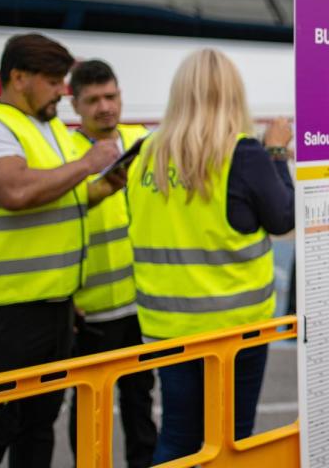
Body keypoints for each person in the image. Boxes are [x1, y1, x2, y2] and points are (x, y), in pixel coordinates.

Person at [126, 49, 294, 463]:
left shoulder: (145, 152)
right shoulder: (244, 153)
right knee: (231, 440)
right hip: (234, 329)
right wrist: (277, 153)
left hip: (168, 325)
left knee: (178, 434)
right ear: (233, 94)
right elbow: (283, 218)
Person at [0, 34, 125, 467]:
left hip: (56, 310)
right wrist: (85, 165)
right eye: (54, 80)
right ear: (18, 78)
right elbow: (16, 191)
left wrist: (98, 190)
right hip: (6, 317)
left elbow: (59, 201)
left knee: (38, 430)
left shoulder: (50, 126)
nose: (64, 89)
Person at [66, 60, 156, 467]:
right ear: (75, 105)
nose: (105, 106)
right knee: (89, 408)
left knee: (141, 405)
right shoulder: (65, 155)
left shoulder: (144, 142)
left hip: (141, 308)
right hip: (90, 312)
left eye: (111, 96)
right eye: (94, 100)